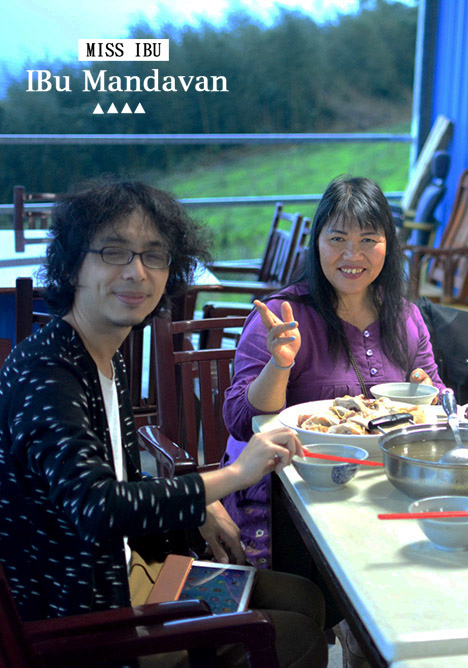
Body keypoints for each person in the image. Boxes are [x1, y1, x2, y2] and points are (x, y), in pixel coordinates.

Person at [0, 178, 328, 667]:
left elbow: (120, 480)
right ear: (72, 265)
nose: (137, 272)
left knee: (304, 598)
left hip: (124, 567)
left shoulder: (105, 356)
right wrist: (231, 478)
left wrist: (196, 503)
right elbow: (97, 506)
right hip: (79, 617)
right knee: (292, 635)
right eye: (114, 252)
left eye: (154, 255)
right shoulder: (46, 372)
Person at [222, 175, 446, 567]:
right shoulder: (282, 318)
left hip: (378, 490)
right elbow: (242, 421)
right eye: (338, 239)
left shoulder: (406, 316)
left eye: (368, 240)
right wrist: (280, 363)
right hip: (287, 499)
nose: (352, 255)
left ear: (388, 246)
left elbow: (442, 404)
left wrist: (427, 394)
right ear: (317, 242)